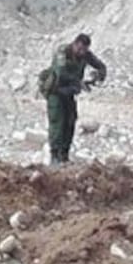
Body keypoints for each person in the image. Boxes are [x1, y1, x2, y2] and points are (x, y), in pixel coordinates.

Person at [41, 33, 107, 165]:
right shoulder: (62, 51)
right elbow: (61, 72)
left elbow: (101, 66)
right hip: (56, 92)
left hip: (69, 93)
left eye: (85, 50)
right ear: (75, 44)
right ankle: (54, 156)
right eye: (80, 49)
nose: (82, 53)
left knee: (70, 122)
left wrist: (98, 75)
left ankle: (64, 155)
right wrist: (79, 82)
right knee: (57, 124)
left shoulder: (85, 55)